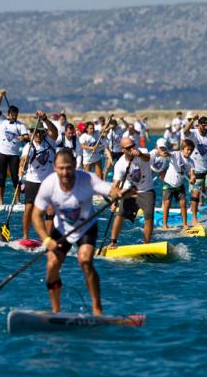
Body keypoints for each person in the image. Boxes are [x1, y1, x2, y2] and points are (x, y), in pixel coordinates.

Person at [32, 149, 121, 316]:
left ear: (75, 165)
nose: (65, 172)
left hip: (87, 227)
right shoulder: (49, 184)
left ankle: (97, 309)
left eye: (68, 168)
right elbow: (36, 215)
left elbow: (109, 189)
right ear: (54, 167)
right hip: (62, 229)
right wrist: (46, 240)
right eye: (61, 168)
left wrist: (118, 193)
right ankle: (56, 311)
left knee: (85, 260)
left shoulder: (87, 179)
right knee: (51, 265)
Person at [19, 112, 58, 241]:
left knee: (50, 211)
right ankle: (26, 237)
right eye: (35, 132)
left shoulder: (50, 142)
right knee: (28, 210)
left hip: (48, 182)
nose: (38, 135)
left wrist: (45, 119)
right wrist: (22, 167)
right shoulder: (28, 147)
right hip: (32, 182)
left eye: (40, 132)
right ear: (31, 133)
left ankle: (46, 238)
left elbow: (55, 131)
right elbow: (24, 159)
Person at [108, 137, 154, 245]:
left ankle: (146, 243)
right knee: (120, 214)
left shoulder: (142, 152)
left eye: (133, 145)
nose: (132, 148)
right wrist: (114, 201)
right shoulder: (120, 164)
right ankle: (112, 242)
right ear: (123, 149)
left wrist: (140, 155)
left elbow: (147, 158)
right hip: (130, 191)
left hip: (146, 189)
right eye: (129, 147)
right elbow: (116, 184)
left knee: (149, 216)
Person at [0, 90, 29, 205]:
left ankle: (17, 201)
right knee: (2, 178)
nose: (14, 116)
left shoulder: (20, 125)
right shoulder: (2, 121)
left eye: (16, 115)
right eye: (12, 114)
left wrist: (24, 138)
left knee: (15, 178)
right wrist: (0, 96)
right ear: (8, 114)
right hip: (2, 153)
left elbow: (27, 136)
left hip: (14, 155)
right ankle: (1, 202)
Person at [159, 139, 194, 230]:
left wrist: (192, 179)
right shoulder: (176, 154)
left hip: (179, 185)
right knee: (167, 203)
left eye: (191, 150)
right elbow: (168, 154)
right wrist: (164, 153)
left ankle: (185, 224)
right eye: (188, 149)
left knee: (183, 203)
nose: (189, 152)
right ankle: (164, 225)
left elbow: (192, 174)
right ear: (182, 149)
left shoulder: (191, 161)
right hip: (169, 184)